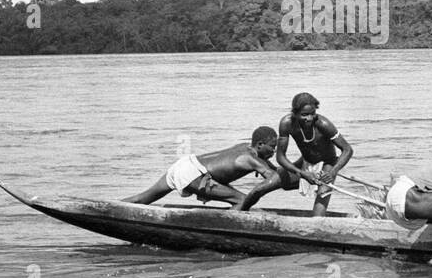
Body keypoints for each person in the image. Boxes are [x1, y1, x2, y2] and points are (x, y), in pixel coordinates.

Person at [240, 92, 353, 215]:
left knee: (320, 206)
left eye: (312, 114)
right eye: (304, 115)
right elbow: (281, 157)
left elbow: (347, 150)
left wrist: (332, 172)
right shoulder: (286, 123)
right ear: (294, 113)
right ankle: (238, 214)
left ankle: (316, 224)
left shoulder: (323, 124)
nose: (309, 118)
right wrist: (302, 173)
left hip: (327, 164)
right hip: (304, 162)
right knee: (259, 190)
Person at [127, 127, 278, 207]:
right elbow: (275, 178)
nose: (274, 151)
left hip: (185, 164)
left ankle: (108, 207)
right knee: (242, 201)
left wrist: (299, 173)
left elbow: (277, 171)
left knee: (143, 198)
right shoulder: (252, 159)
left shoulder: (245, 148)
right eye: (272, 147)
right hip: (194, 174)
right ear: (260, 145)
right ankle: (223, 233)